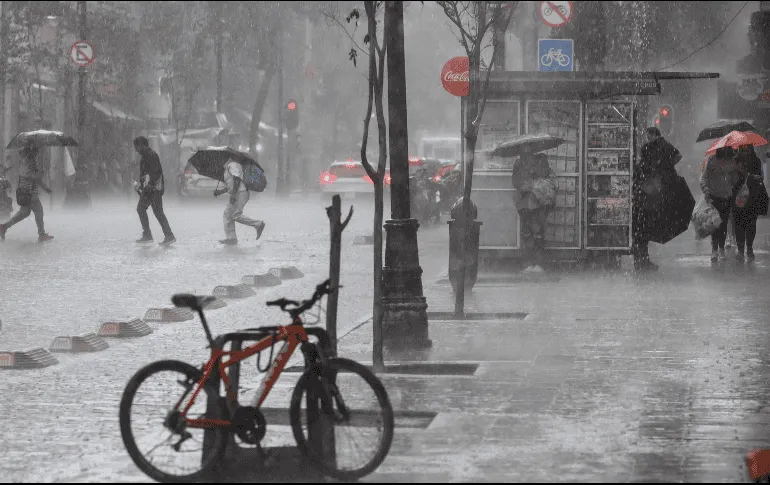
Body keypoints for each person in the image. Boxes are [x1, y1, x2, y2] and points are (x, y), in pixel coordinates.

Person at [631, 126, 682, 272]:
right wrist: (666, 166)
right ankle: (642, 261)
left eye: (648, 135)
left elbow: (639, 177)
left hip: (642, 201)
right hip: (649, 200)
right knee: (643, 232)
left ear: (654, 135)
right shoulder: (663, 150)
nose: (647, 138)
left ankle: (641, 261)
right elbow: (678, 156)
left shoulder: (647, 158)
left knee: (640, 232)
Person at [512, 149, 556, 273]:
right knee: (527, 233)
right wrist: (524, 185)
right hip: (525, 203)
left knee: (537, 232)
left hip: (538, 203)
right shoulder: (519, 163)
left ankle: (537, 263)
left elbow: (545, 175)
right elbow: (515, 182)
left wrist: (535, 174)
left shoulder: (540, 160)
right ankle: (529, 263)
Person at [0, 144, 54, 243]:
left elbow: (36, 178)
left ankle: (4, 227)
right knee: (39, 211)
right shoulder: (27, 162)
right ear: (31, 152)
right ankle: (41, 234)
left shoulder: (30, 161)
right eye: (36, 151)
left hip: (27, 192)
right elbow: (30, 176)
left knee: (24, 213)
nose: (37, 153)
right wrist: (39, 174)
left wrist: (45, 187)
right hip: (30, 192)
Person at [700, 146, 742, 262]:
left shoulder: (731, 161)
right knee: (715, 223)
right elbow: (703, 178)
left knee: (723, 224)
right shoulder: (711, 160)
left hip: (727, 197)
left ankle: (721, 249)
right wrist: (706, 191)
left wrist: (735, 173)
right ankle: (714, 250)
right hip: (714, 197)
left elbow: (734, 181)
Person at [133, 136, 176, 245]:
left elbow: (156, 173)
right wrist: (140, 185)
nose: (136, 150)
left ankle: (149, 235)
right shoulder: (146, 156)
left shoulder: (150, 155)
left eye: (137, 147)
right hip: (152, 188)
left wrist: (149, 185)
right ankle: (168, 235)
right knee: (157, 212)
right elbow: (146, 175)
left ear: (142, 145)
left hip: (153, 189)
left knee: (142, 209)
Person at [213, 157, 265, 245]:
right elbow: (231, 185)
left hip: (241, 193)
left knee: (236, 215)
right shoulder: (227, 168)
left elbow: (237, 179)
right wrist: (220, 192)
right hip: (236, 193)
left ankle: (258, 224)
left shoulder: (233, 165)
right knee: (227, 215)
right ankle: (231, 238)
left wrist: (233, 194)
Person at [733, 144, 769, 262]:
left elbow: (760, 177)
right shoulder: (735, 162)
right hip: (738, 197)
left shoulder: (756, 161)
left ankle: (749, 247)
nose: (744, 151)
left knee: (751, 223)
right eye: (742, 149)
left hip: (753, 196)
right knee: (739, 223)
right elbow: (732, 179)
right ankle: (740, 249)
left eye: (746, 148)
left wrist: (748, 175)